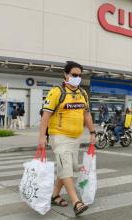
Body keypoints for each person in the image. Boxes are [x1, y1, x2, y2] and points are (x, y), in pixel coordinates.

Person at [38, 61, 95, 216]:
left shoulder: (83, 94)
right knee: (66, 168)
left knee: (68, 167)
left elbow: (87, 114)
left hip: (75, 138)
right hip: (59, 136)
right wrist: (42, 137)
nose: (77, 78)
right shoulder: (57, 92)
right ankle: (77, 202)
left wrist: (92, 132)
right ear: (65, 74)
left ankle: (54, 195)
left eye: (79, 75)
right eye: (74, 75)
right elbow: (46, 115)